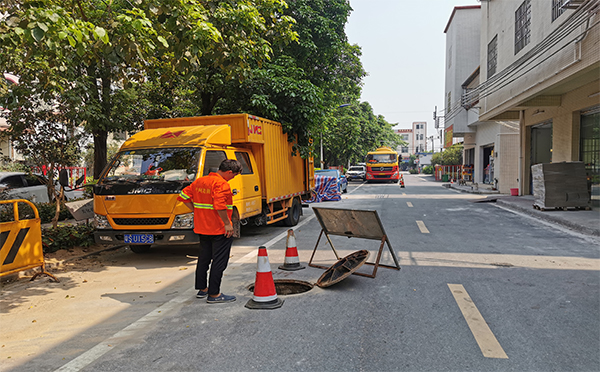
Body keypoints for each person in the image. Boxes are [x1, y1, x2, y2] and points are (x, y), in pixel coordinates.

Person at [178, 159, 243, 304]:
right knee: (219, 261)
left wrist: (196, 210)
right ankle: (214, 294)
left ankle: (203, 289)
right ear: (229, 172)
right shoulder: (221, 184)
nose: (233, 178)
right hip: (219, 229)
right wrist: (227, 224)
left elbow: (183, 196)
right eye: (234, 176)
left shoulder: (200, 181)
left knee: (204, 258)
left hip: (203, 227)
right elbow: (219, 205)